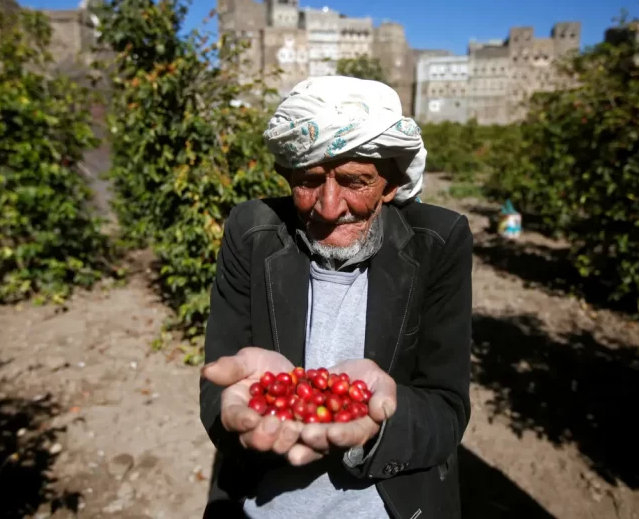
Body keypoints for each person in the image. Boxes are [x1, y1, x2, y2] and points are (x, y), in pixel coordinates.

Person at [200, 76, 472, 519]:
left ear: (390, 184)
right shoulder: (251, 234)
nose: (328, 207)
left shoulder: (438, 244)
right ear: (286, 175)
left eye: (355, 181)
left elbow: (446, 406)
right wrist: (242, 418)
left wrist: (380, 424)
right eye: (308, 180)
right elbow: (220, 390)